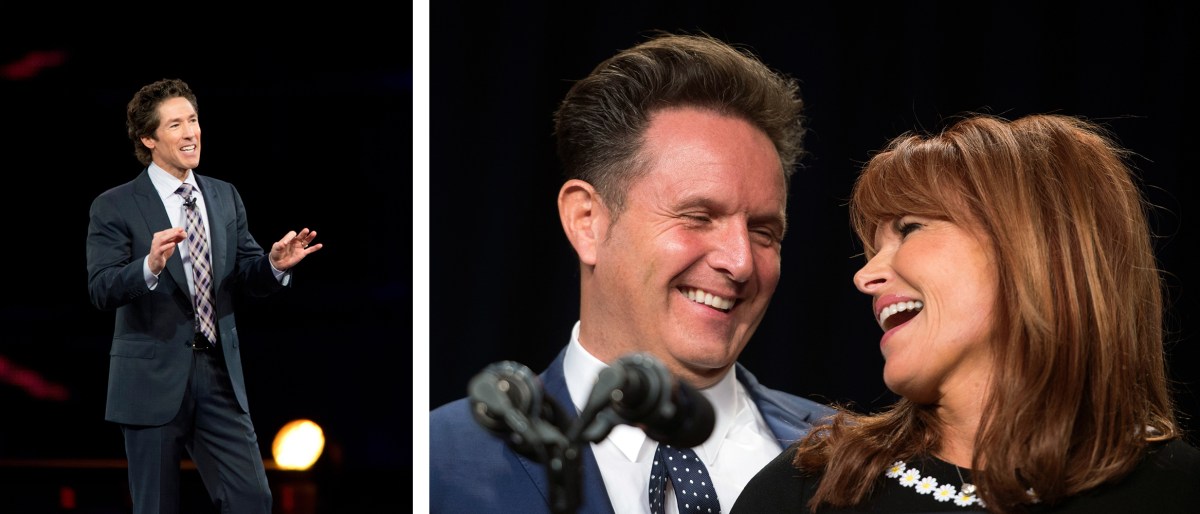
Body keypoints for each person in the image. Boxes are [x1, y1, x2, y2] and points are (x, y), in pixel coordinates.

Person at [429, 32, 834, 513]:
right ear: (587, 222)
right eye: (698, 217)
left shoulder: (856, 458)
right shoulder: (439, 462)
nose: (740, 261)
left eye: (764, 231)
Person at [731, 113, 1200, 514]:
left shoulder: (1179, 491)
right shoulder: (808, 491)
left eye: (910, 228)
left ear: (1034, 250)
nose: (865, 276)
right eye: (872, 248)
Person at [86, 78, 323, 513]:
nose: (191, 132)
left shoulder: (223, 195)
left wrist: (273, 265)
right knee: (156, 506)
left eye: (193, 120)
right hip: (151, 380)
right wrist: (149, 267)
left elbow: (247, 275)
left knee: (252, 499)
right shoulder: (115, 205)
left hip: (217, 375)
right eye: (175, 125)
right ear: (148, 138)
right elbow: (101, 288)